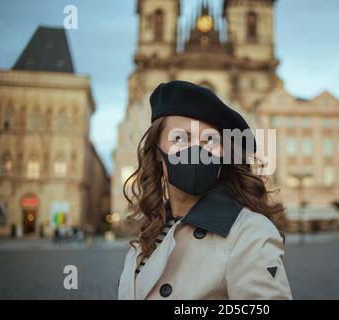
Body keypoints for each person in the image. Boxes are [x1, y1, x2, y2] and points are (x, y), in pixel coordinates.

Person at [118, 80, 292, 300]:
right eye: (181, 138)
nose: (197, 150)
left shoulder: (249, 232)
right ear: (156, 153)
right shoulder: (149, 230)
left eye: (210, 140)